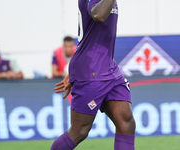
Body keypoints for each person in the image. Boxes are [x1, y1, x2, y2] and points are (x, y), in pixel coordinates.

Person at [51, 0, 136, 150]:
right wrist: (78, 68)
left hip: (108, 67)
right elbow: (98, 15)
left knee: (126, 122)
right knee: (79, 131)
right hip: (90, 72)